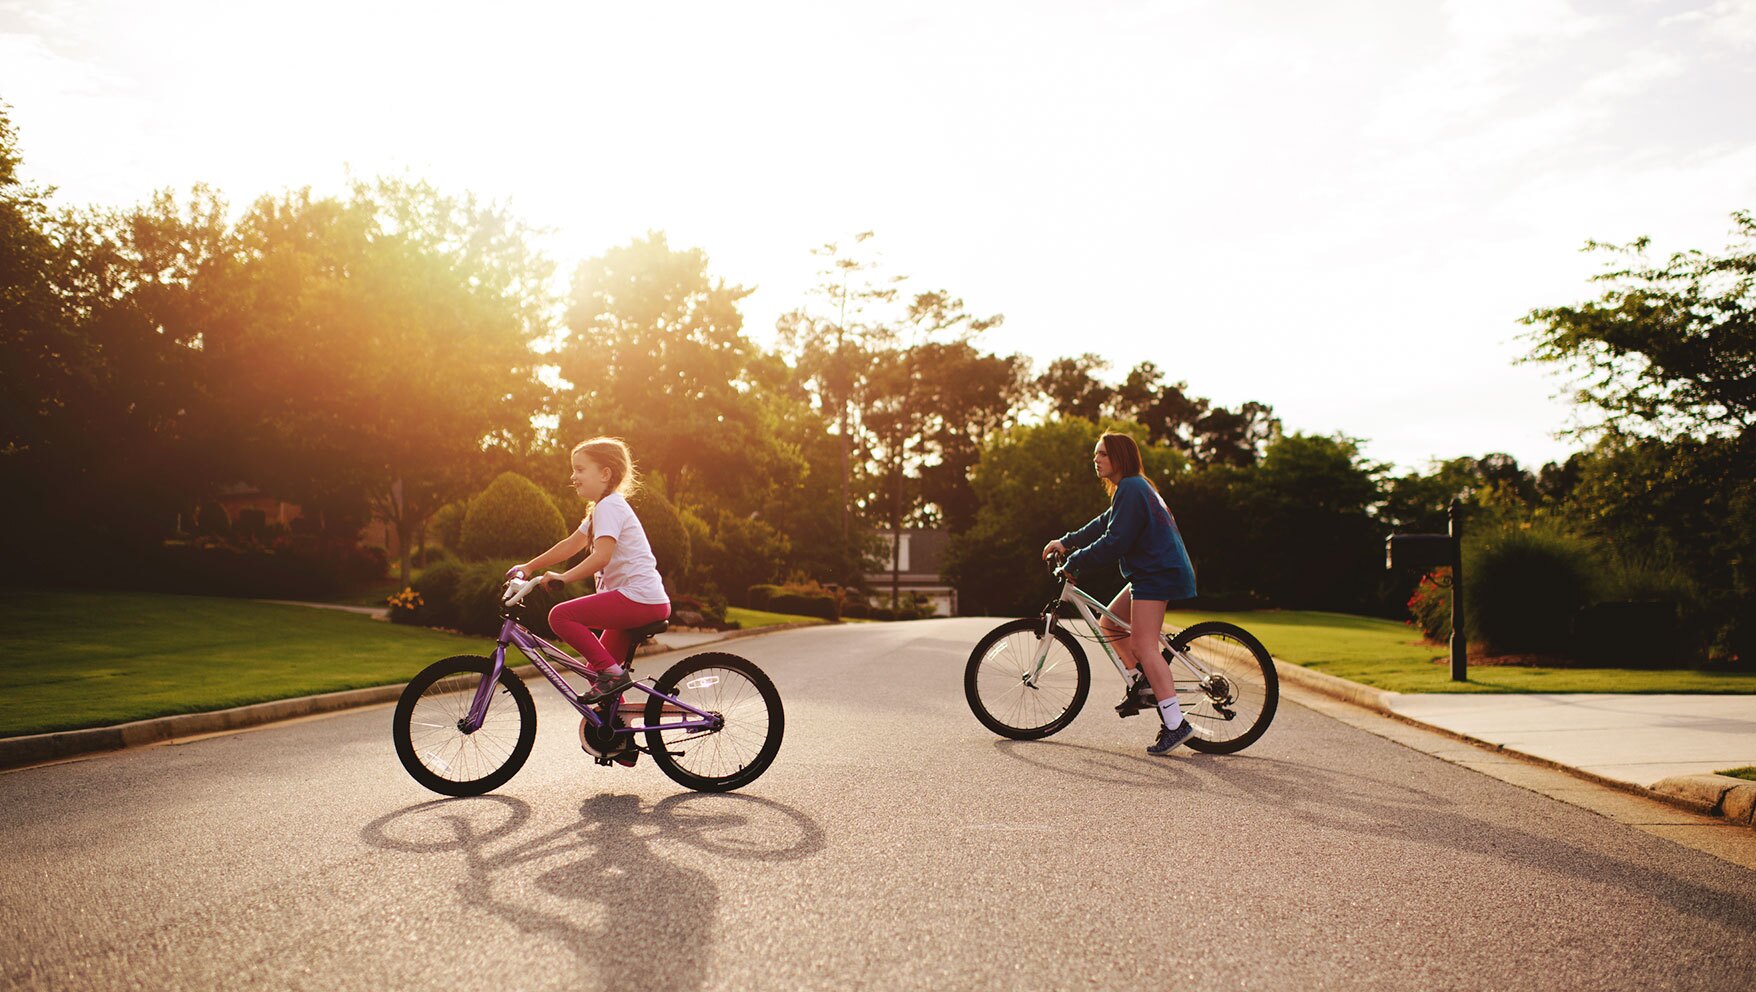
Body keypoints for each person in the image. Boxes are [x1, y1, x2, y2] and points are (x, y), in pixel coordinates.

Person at [511, 437, 671, 763]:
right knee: (596, 672)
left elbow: (602, 555)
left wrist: (563, 578)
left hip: (638, 600)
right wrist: (531, 566)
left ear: (606, 473)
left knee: (561, 617)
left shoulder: (610, 506)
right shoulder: (602, 509)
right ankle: (623, 741)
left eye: (580, 469)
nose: (573, 477)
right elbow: (572, 543)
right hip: (636, 601)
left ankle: (613, 679)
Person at [1041, 431, 1198, 756]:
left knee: (1143, 644)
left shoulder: (1132, 487)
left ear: (1119, 458)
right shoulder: (1133, 488)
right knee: (1109, 623)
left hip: (1157, 573)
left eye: (1102, 454)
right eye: (1095, 454)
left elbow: (1116, 541)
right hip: (1152, 570)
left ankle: (1175, 724)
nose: (1095, 460)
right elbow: (1105, 523)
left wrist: (1075, 562)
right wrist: (1067, 542)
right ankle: (1142, 684)